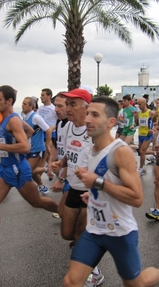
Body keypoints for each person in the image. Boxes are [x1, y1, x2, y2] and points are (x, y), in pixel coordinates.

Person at [64, 96, 159, 287]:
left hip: (119, 232)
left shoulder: (121, 151)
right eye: (87, 113)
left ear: (111, 122)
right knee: (71, 282)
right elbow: (105, 185)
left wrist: (98, 182)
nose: (87, 119)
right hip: (94, 229)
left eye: (95, 115)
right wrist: (94, 194)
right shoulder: (92, 148)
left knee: (136, 284)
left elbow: (136, 198)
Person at [0, 85, 58, 256]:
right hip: (5, 168)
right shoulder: (8, 118)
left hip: (17, 169)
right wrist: (10, 140)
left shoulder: (13, 120)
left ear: (9, 101)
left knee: (37, 202)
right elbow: (28, 131)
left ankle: (62, 212)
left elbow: (24, 147)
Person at [51, 88, 104, 286]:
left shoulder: (94, 130)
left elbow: (106, 160)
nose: (67, 108)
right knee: (67, 234)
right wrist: (61, 164)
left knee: (80, 234)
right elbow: (70, 152)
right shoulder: (65, 127)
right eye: (67, 104)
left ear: (86, 108)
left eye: (73, 104)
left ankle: (94, 271)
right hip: (73, 187)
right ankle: (88, 253)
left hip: (90, 191)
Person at [22, 96, 52, 195]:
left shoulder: (36, 117)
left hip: (37, 148)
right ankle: (42, 187)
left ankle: (47, 169)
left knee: (28, 171)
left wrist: (47, 144)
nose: (22, 105)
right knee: (29, 170)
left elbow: (48, 130)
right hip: (29, 149)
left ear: (31, 106)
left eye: (25, 104)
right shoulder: (25, 117)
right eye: (22, 103)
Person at [136, 97, 155, 176]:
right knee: (140, 152)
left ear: (145, 103)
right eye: (138, 104)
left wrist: (153, 130)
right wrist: (135, 117)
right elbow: (137, 124)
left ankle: (141, 168)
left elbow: (156, 123)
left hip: (148, 135)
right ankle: (155, 153)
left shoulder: (150, 112)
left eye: (140, 104)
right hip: (141, 134)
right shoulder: (139, 113)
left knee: (142, 151)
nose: (139, 106)